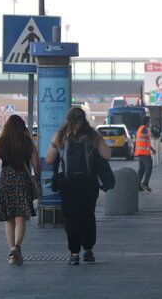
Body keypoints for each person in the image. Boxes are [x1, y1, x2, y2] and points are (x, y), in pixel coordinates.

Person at [45, 107, 112, 265]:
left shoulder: (60, 136)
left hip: (68, 184)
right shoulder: (93, 136)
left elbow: (48, 159)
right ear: (83, 119)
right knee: (88, 216)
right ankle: (88, 251)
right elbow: (107, 155)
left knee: (71, 218)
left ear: (68, 120)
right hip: (88, 183)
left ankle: (74, 253)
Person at [0, 114, 41, 266]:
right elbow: (36, 164)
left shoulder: (1, 142)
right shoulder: (28, 142)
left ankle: (11, 252)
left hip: (6, 180)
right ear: (23, 127)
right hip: (22, 180)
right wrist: (38, 179)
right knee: (20, 217)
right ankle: (17, 247)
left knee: (9, 218)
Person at [135, 116, 156, 192]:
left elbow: (145, 141)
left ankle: (137, 185)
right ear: (147, 122)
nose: (150, 123)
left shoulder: (143, 128)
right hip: (143, 153)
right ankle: (145, 183)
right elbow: (142, 135)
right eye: (149, 121)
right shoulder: (143, 128)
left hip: (141, 152)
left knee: (142, 169)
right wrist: (149, 135)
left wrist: (152, 149)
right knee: (149, 166)